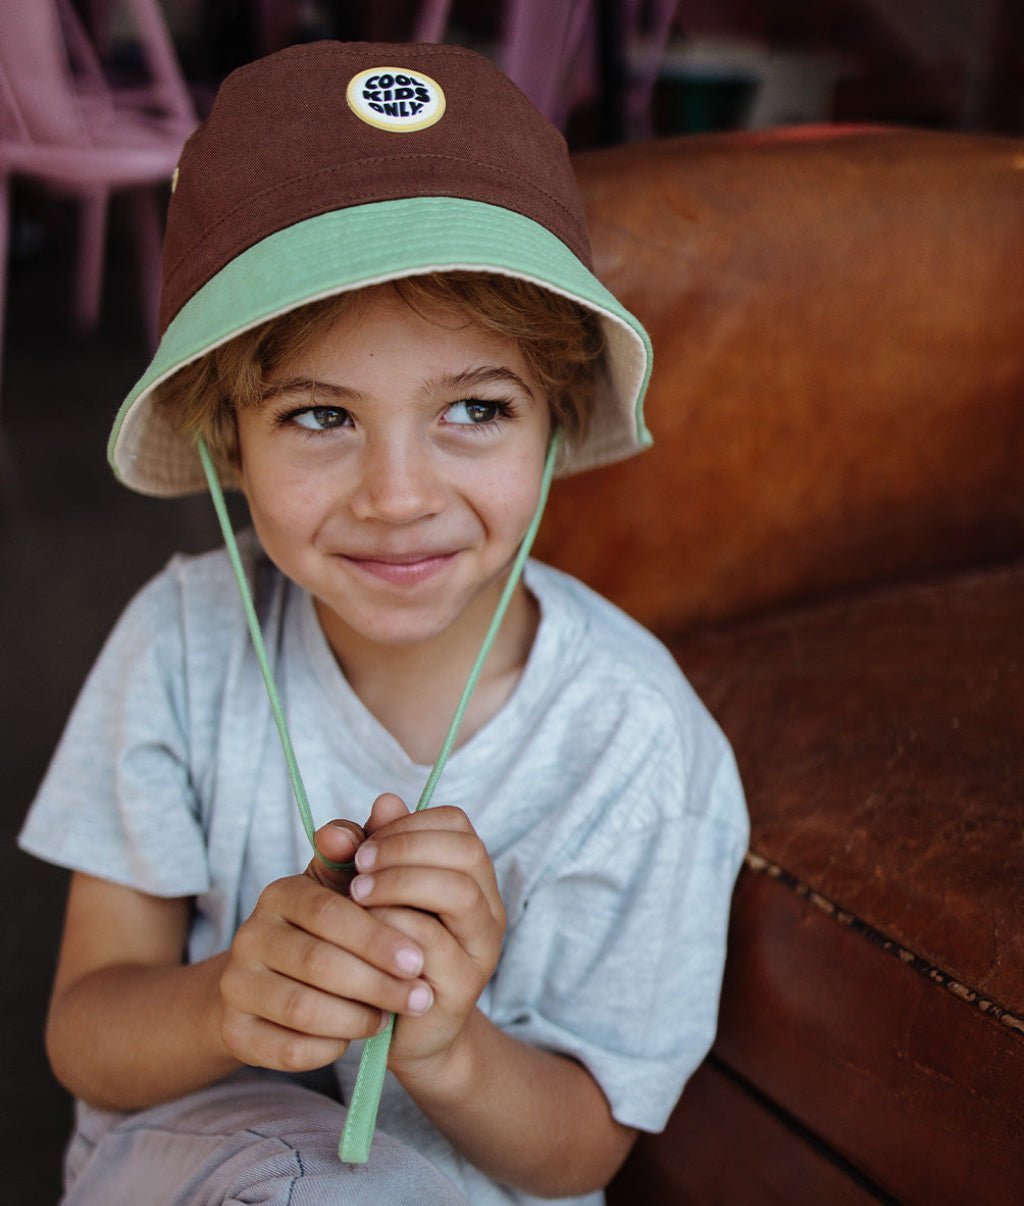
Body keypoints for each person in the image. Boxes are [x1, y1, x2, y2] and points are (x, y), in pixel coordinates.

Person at [19, 40, 749, 1206]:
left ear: (555, 424)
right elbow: (86, 1031)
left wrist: (449, 1048)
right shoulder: (182, 643)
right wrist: (228, 1001)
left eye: (473, 407)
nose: (398, 495)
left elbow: (583, 1150)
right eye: (318, 414)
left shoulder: (637, 742)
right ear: (227, 443)